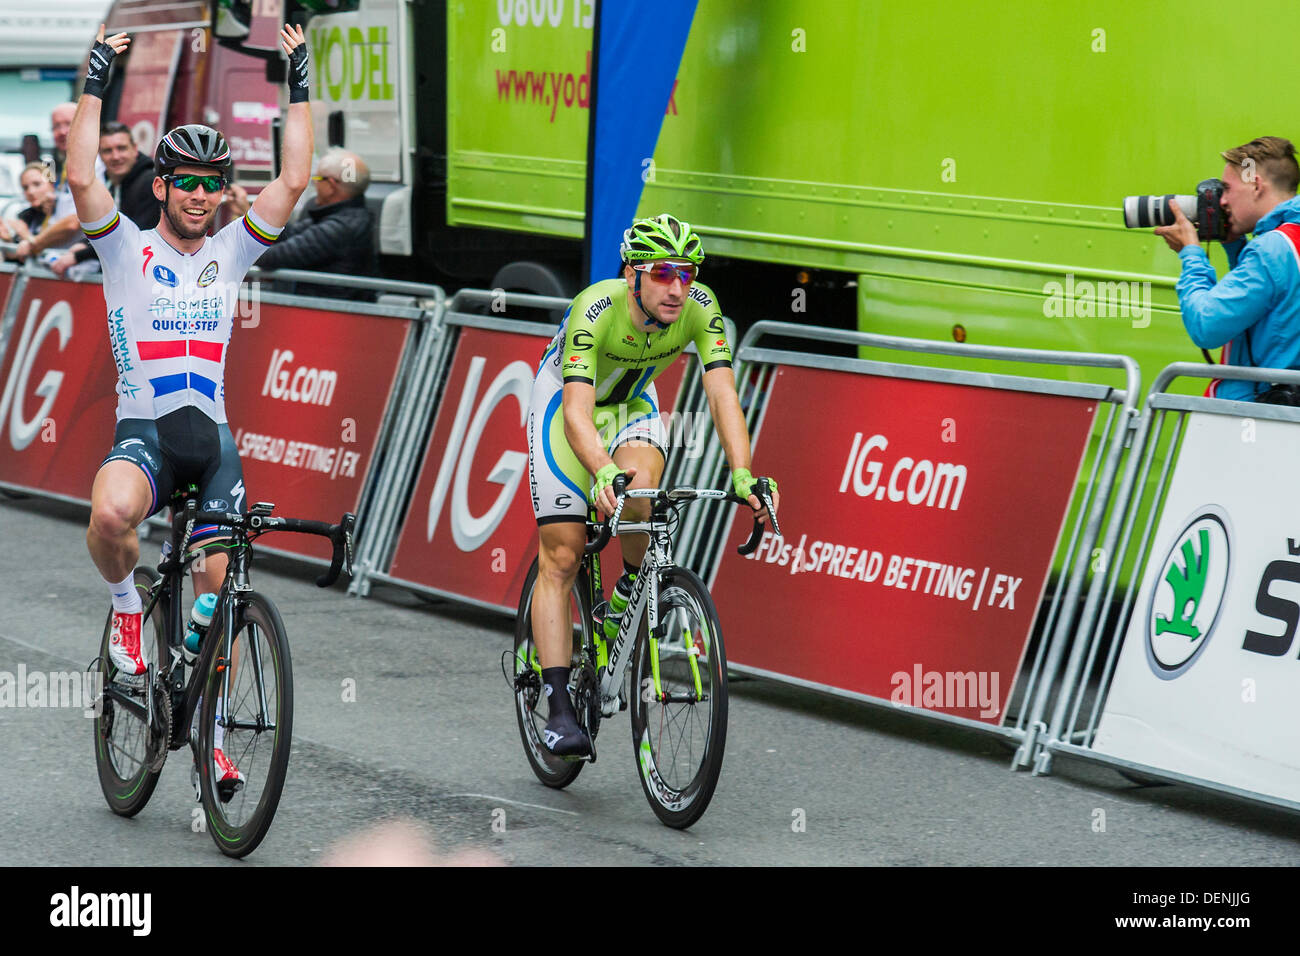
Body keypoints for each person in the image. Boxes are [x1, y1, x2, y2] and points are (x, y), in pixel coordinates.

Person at [72, 21, 314, 791]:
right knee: (111, 517)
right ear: (165, 187)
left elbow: (296, 179)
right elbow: (82, 179)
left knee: (221, 581)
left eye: (215, 183)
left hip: (210, 440)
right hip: (145, 433)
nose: (203, 196)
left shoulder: (231, 250)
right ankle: (127, 609)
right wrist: (96, 81)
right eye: (189, 182)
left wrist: (298, 79)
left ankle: (209, 737)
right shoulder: (124, 247)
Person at [526, 213, 779, 756]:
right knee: (564, 557)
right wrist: (600, 469)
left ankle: (628, 590)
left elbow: (721, 395)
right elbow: (576, 414)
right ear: (632, 274)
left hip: (634, 405)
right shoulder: (595, 308)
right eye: (662, 273)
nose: (677, 287)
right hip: (567, 407)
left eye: (686, 273)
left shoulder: (700, 308)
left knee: (642, 492)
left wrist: (742, 472)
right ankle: (556, 702)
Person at [1155, 136, 1300, 402]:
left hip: (1252, 417)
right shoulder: (1289, 242)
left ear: (1255, 185)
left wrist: (1191, 254)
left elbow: (1206, 325)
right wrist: (1236, 249)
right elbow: (1273, 309)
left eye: (1227, 189)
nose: (1221, 201)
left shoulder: (1270, 250)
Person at [225, 147, 375, 298]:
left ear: (331, 186)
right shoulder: (344, 215)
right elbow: (287, 235)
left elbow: (274, 256)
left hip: (325, 309)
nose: (314, 184)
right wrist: (247, 211)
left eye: (316, 178)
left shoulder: (340, 228)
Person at [61, 122, 160, 276]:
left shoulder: (151, 183)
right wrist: (83, 245)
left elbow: (132, 239)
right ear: (99, 155)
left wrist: (78, 256)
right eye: (107, 151)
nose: (115, 156)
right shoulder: (110, 184)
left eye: (121, 148)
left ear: (134, 149)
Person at [11, 103, 104, 265]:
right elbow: (42, 201)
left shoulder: (94, 164)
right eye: (56, 127)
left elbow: (74, 222)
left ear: (83, 124)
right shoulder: (53, 163)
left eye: (69, 124)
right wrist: (26, 218)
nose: (61, 132)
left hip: (80, 266)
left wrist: (33, 243)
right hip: (53, 261)